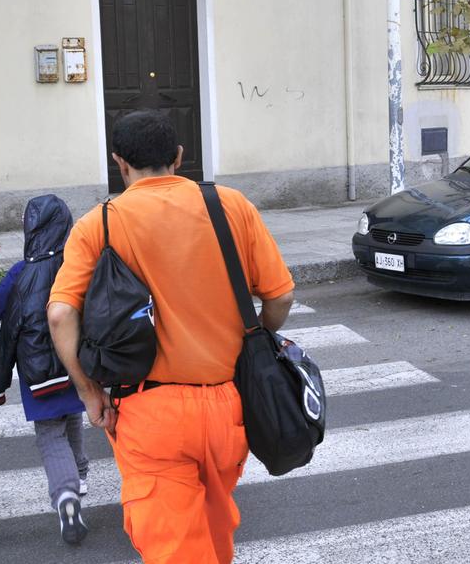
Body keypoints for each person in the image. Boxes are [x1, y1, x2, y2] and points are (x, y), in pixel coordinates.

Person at [47, 110, 296, 564]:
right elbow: (279, 296)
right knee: (215, 531)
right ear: (179, 157)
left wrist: (88, 392)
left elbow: (61, 314)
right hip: (228, 405)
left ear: (119, 163)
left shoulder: (98, 224)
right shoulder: (231, 206)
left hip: (149, 411)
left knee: (176, 549)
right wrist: (257, 337)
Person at [0, 194, 92, 546]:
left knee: (51, 434)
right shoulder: (77, 265)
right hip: (77, 363)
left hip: (39, 374)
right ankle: (78, 474)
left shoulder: (21, 273)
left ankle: (66, 496)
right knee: (73, 416)